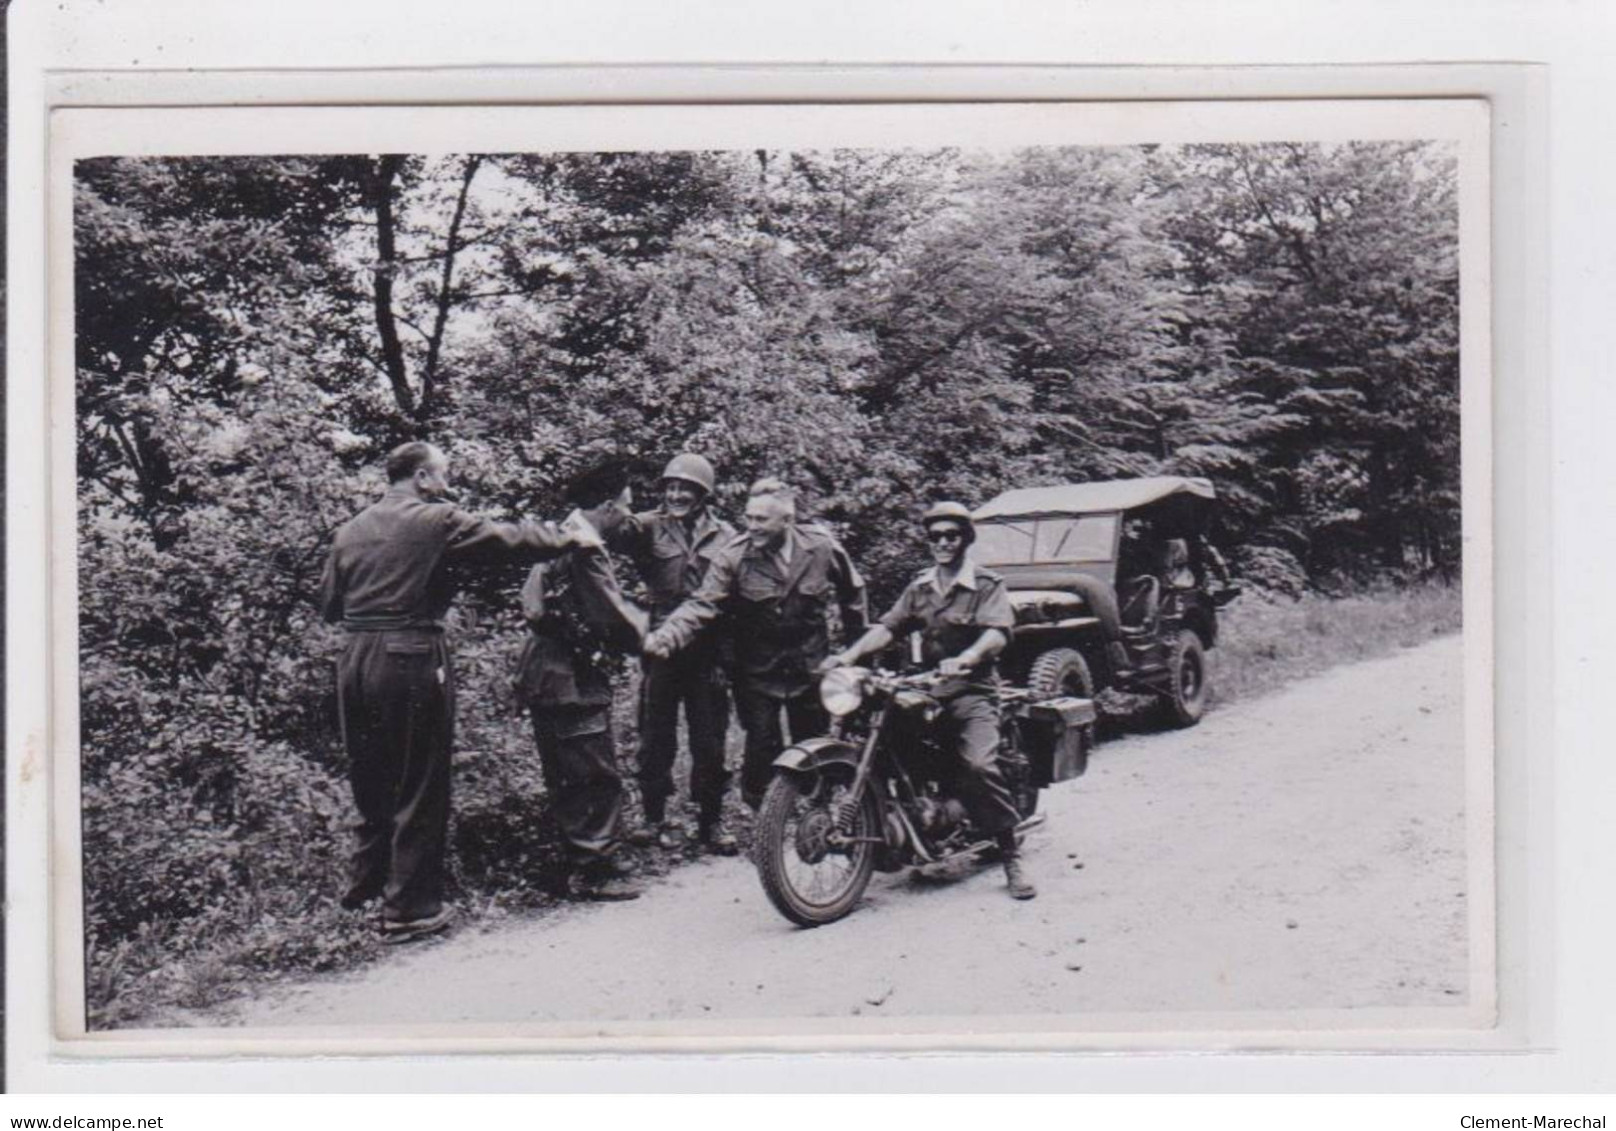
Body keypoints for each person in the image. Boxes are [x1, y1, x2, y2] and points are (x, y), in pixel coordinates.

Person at [319, 440, 597, 943]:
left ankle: (362, 893)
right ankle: (409, 909)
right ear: (423, 477)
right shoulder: (435, 518)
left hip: (354, 657)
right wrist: (568, 537)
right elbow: (508, 538)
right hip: (411, 653)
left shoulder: (350, 529)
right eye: (442, 475)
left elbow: (329, 607)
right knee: (420, 778)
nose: (446, 484)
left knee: (371, 777)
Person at [823, 501, 1036, 900]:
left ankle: (1009, 855)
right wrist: (848, 657)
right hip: (927, 687)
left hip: (973, 690)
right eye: (935, 535)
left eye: (951, 535)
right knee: (886, 735)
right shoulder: (920, 587)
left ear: (965, 539)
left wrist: (968, 657)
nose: (942, 542)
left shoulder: (986, 585)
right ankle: (910, 817)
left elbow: (997, 633)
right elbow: (888, 628)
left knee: (977, 764)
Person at [644, 478, 867, 811]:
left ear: (787, 520)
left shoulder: (821, 547)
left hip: (811, 667)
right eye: (749, 518)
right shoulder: (734, 555)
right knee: (762, 746)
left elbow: (854, 594)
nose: (751, 526)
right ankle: (765, 819)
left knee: (815, 742)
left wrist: (855, 653)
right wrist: (668, 635)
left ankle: (818, 813)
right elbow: (704, 602)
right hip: (759, 671)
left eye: (761, 520)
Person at [515, 462, 648, 900]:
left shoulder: (557, 534)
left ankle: (581, 864)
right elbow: (612, 615)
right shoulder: (586, 549)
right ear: (609, 507)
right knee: (593, 771)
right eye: (627, 508)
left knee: (567, 771)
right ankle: (596, 869)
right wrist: (653, 638)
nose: (630, 517)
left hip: (545, 671)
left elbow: (530, 603)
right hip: (571, 675)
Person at [604, 454, 739, 854]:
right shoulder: (647, 526)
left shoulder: (726, 536)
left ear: (703, 494)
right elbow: (606, 532)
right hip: (662, 645)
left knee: (710, 739)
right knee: (655, 734)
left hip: (708, 650)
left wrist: (729, 658)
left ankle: (711, 822)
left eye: (686, 488)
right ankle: (652, 817)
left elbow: (733, 601)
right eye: (671, 487)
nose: (677, 494)